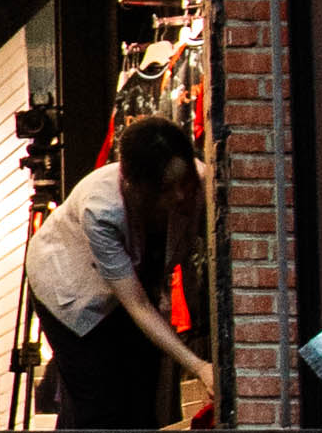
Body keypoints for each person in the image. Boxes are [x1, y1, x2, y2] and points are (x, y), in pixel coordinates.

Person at [22, 115, 216, 429]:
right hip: (68, 290)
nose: (182, 196)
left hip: (131, 287)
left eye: (186, 182)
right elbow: (137, 304)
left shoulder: (203, 184)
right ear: (137, 188)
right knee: (100, 404)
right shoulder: (102, 210)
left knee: (142, 398)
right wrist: (198, 365)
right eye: (168, 190)